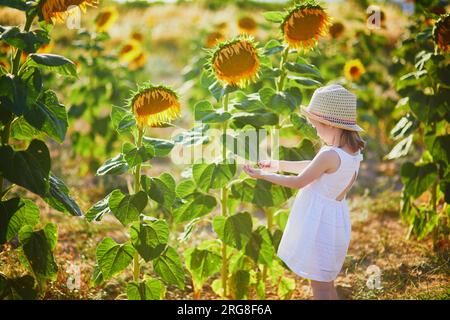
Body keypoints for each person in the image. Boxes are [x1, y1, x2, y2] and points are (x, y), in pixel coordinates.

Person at [243, 84, 365, 300]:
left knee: (319, 289)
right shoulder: (353, 154)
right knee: (327, 286)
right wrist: (275, 164)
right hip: (334, 224)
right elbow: (313, 167)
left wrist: (263, 175)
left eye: (316, 125)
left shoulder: (328, 154)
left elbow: (300, 181)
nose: (315, 130)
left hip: (318, 226)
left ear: (331, 125)